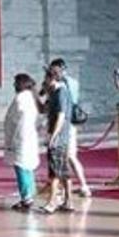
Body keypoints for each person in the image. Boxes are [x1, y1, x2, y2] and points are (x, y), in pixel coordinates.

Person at [49, 59, 91, 197]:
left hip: (67, 124)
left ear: (62, 69)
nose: (54, 75)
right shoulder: (68, 82)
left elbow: (65, 103)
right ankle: (69, 186)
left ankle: (83, 186)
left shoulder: (65, 84)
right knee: (66, 157)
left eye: (56, 72)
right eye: (52, 72)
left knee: (70, 156)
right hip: (66, 123)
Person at [40, 66, 75, 213]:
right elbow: (45, 109)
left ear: (51, 78)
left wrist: (53, 136)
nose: (45, 81)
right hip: (62, 137)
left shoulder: (61, 92)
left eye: (46, 78)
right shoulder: (55, 92)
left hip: (59, 138)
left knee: (54, 171)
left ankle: (53, 201)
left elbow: (61, 116)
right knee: (64, 170)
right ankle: (69, 200)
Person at [3, 73, 40, 211]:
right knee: (26, 168)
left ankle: (27, 198)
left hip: (21, 139)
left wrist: (14, 141)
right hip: (26, 138)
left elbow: (20, 122)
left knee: (22, 169)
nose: (13, 85)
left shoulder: (21, 99)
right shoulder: (28, 98)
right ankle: (28, 194)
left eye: (15, 83)